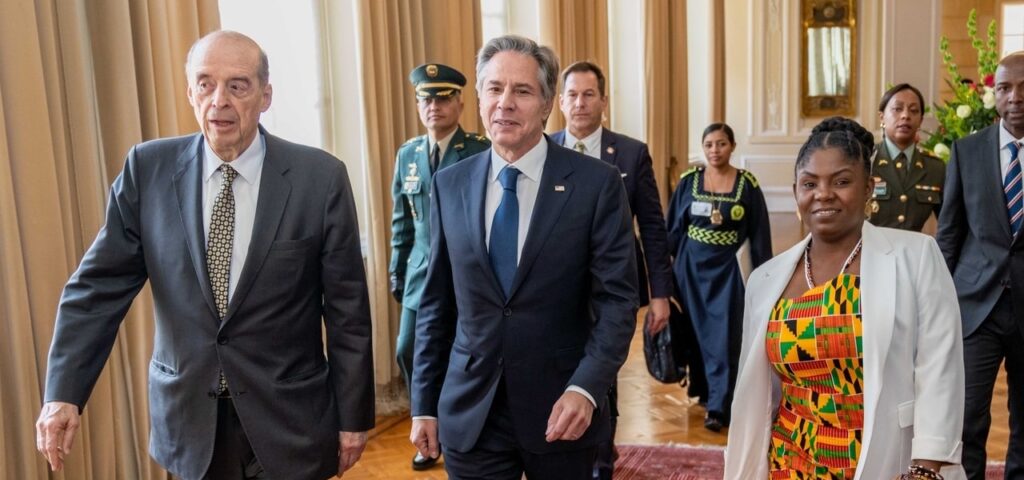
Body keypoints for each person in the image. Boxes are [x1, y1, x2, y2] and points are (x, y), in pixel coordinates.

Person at [34, 31, 374, 480]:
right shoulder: (147, 170)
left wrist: (352, 417)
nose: (219, 101)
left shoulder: (320, 178)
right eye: (205, 83)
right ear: (189, 90)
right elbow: (96, 290)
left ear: (265, 95)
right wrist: (63, 393)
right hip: (190, 423)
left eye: (238, 85)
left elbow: (348, 311)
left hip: (290, 420)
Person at [408, 35, 639, 479]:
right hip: (471, 412)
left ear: (548, 102)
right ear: (479, 98)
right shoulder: (449, 184)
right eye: (494, 89)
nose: (505, 103)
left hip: (562, 411)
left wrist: (587, 388)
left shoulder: (597, 184)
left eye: (522, 91)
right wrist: (424, 404)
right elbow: (435, 303)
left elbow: (617, 302)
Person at [726, 117, 965, 479]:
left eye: (841, 181)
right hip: (791, 458)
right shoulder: (765, 279)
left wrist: (926, 468)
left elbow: (940, 369)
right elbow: (760, 394)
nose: (823, 194)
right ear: (796, 193)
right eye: (810, 183)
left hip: (881, 458)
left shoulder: (915, 256)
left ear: (868, 187)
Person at [550, 60, 673, 480]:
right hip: (557, 287)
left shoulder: (631, 153)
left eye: (589, 94)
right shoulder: (544, 149)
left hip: (612, 286)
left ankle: (602, 458)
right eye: (572, 94)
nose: (580, 103)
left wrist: (660, 293)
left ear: (604, 100)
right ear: (560, 101)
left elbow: (653, 228)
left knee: (603, 367)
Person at [389, 62, 489, 471]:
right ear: (417, 105)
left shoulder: (479, 149)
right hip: (420, 276)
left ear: (461, 102)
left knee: (459, 354)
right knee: (409, 350)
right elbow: (402, 219)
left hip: (465, 276)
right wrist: (397, 269)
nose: (434, 106)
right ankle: (426, 425)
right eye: (426, 99)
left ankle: (458, 428)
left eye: (443, 97)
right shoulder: (409, 154)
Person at [937, 50, 1024, 480]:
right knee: (968, 416)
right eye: (1006, 88)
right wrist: (939, 302)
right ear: (995, 94)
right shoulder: (966, 151)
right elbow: (949, 233)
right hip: (975, 306)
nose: (1016, 97)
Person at [665, 123, 772, 432]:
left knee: (723, 338)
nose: (715, 150)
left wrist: (765, 281)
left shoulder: (747, 185)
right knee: (695, 334)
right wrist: (663, 278)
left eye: (721, 144)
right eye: (709, 144)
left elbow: (760, 237)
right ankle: (704, 391)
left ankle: (719, 406)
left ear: (733, 146)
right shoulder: (689, 181)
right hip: (689, 272)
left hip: (727, 272)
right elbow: (672, 231)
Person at [868, 83, 945, 231]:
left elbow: (949, 225)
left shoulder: (935, 167)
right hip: (869, 251)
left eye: (914, 110)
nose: (905, 115)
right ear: (882, 117)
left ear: (921, 120)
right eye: (897, 109)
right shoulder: (865, 161)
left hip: (915, 252)